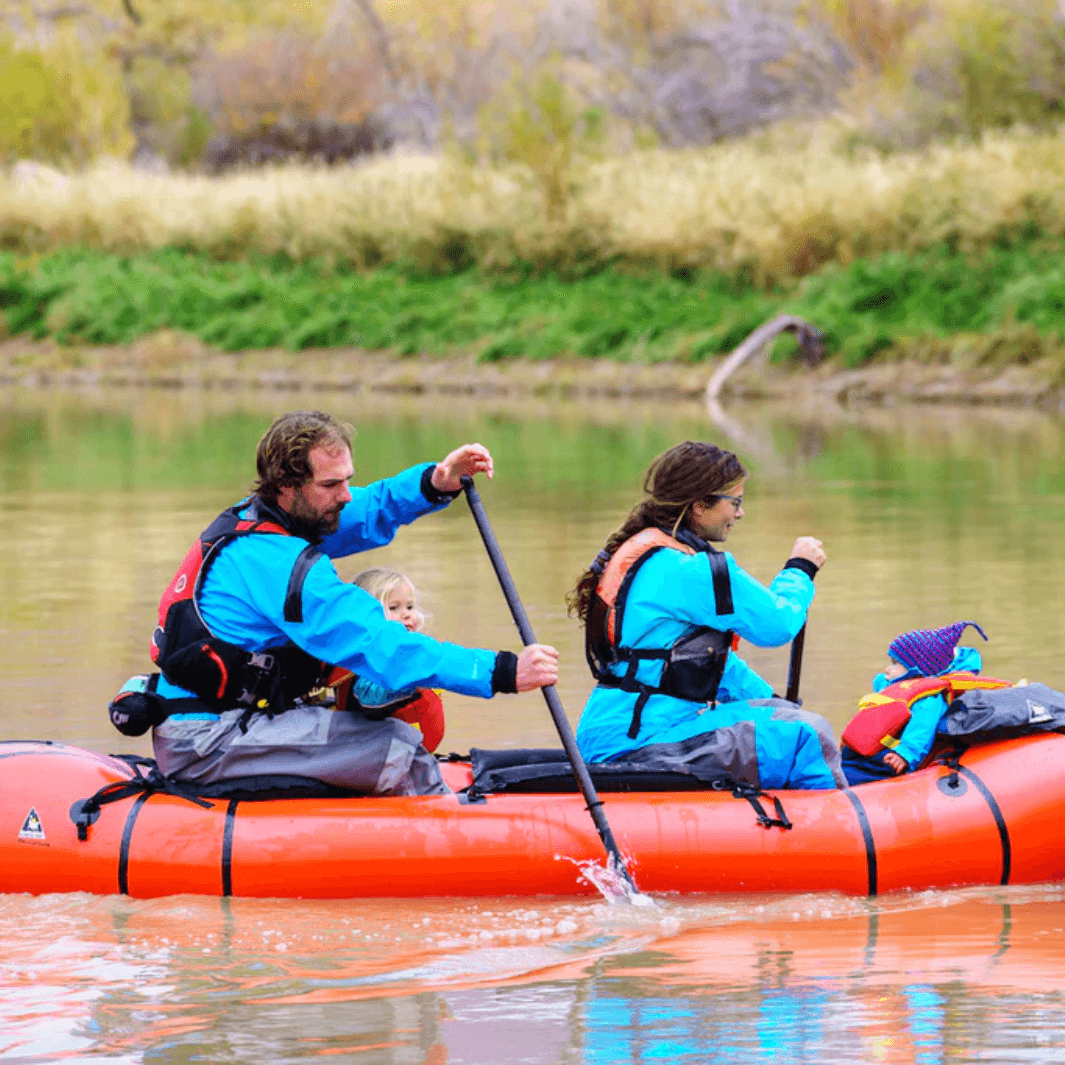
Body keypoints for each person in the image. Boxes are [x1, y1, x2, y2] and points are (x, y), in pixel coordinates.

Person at [135, 410, 558, 796]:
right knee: (397, 744)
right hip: (209, 740)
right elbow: (380, 645)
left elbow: (369, 509)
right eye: (332, 485)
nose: (346, 495)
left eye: (347, 479)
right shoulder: (277, 564)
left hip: (219, 721)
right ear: (287, 485)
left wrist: (435, 482)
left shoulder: (267, 519)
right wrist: (501, 671)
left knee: (377, 722)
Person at [569, 439, 844, 791]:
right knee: (807, 734)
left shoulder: (644, 552)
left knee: (787, 717)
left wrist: (776, 704)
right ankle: (838, 826)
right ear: (700, 505)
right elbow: (779, 624)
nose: (740, 514)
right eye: (736, 502)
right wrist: (800, 570)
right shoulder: (691, 570)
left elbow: (705, 664)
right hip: (644, 743)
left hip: (605, 735)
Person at [841, 621, 988, 786]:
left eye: (894, 663)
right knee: (843, 764)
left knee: (849, 775)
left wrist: (905, 754)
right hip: (873, 753)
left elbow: (922, 729)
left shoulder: (929, 700)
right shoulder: (896, 690)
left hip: (892, 759)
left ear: (917, 671)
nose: (887, 670)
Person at [329, 567, 448, 754]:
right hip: (376, 754)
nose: (407, 614)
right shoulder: (364, 661)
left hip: (406, 753)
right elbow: (369, 696)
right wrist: (413, 680)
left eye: (409, 607)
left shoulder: (411, 651)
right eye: (393, 608)